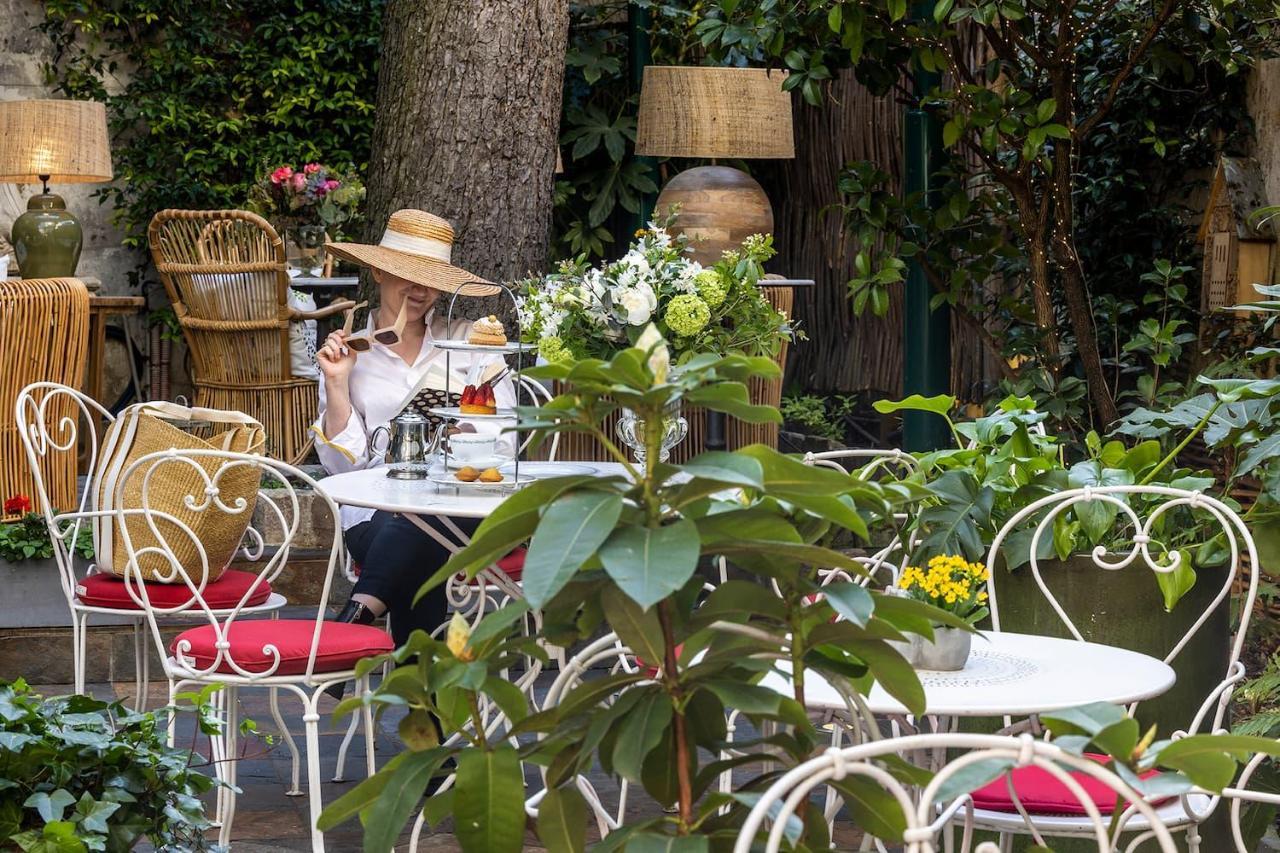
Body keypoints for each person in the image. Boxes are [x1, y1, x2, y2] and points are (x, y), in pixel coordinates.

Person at [312, 209, 516, 648]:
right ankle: (426, 710)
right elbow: (342, 470)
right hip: (375, 516)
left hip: (461, 507)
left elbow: (504, 443)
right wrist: (337, 383)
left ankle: (357, 614)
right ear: (378, 271)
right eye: (407, 275)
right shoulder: (349, 353)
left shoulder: (472, 345)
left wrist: (460, 436)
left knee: (425, 520)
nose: (420, 290)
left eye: (430, 279)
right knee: (413, 533)